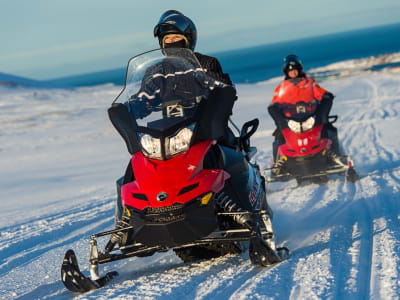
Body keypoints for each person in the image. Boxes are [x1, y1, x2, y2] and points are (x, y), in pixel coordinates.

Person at [268, 54, 336, 175]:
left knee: (327, 128)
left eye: (295, 70)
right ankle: (277, 166)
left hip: (310, 117)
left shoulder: (310, 84)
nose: (293, 73)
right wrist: (273, 107)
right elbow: (275, 101)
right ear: (286, 72)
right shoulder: (281, 88)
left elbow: (320, 92)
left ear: (299, 70)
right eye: (290, 71)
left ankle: (334, 156)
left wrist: (326, 96)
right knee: (278, 136)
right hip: (290, 120)